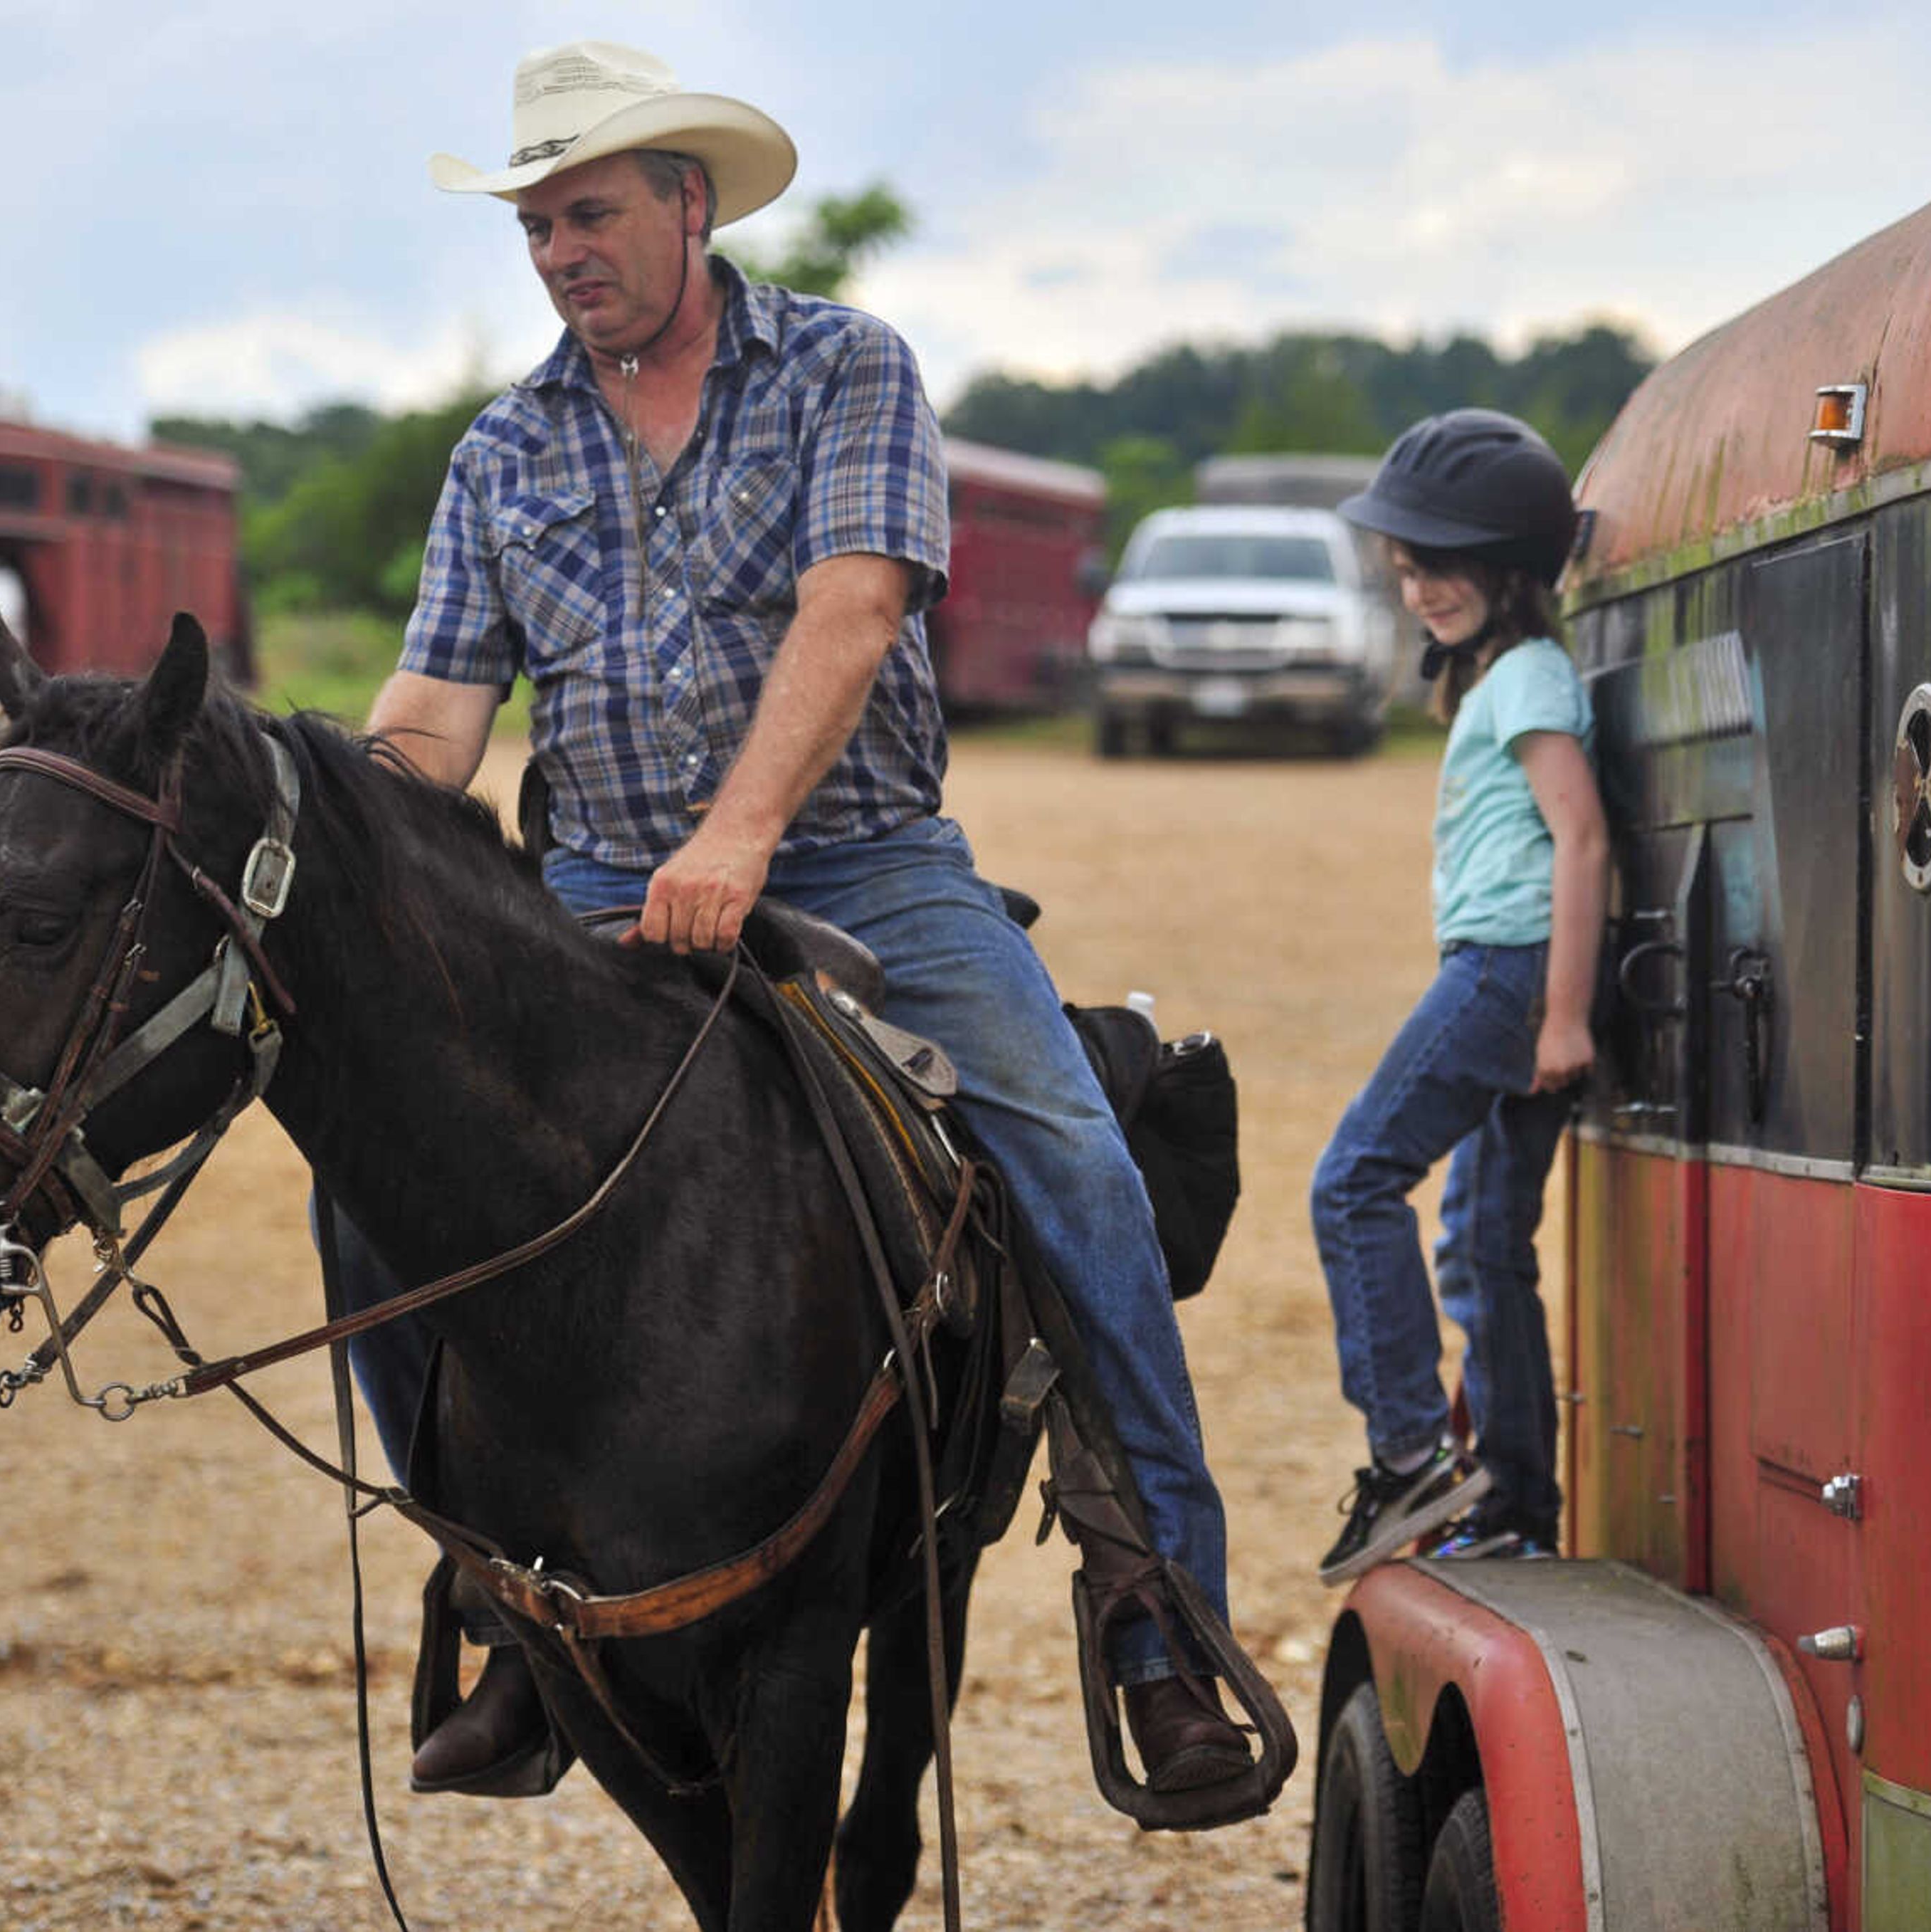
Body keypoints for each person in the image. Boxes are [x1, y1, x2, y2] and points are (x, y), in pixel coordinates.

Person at [343, 39, 1251, 1805]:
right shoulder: (503, 450)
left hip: (867, 866)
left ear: (690, 203)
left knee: (1073, 1152)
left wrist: (744, 837)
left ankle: (1161, 1621)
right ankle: (515, 1607)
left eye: (588, 213)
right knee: (374, 1178)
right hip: (598, 886)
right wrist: (343, 818)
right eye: (534, 226)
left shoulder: (846, 369)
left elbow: (855, 608)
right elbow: (437, 716)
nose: (558, 253)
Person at [1309, 409, 1607, 1585]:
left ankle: (1411, 1455)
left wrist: (1565, 1013)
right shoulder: (1500, 674)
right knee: (1483, 1239)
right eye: (1405, 567)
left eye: (1436, 565)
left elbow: (1580, 837)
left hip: (1509, 967)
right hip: (1507, 969)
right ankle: (1516, 1503)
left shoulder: (1530, 673)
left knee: (1353, 1179)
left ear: (1506, 567)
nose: (1415, 585)